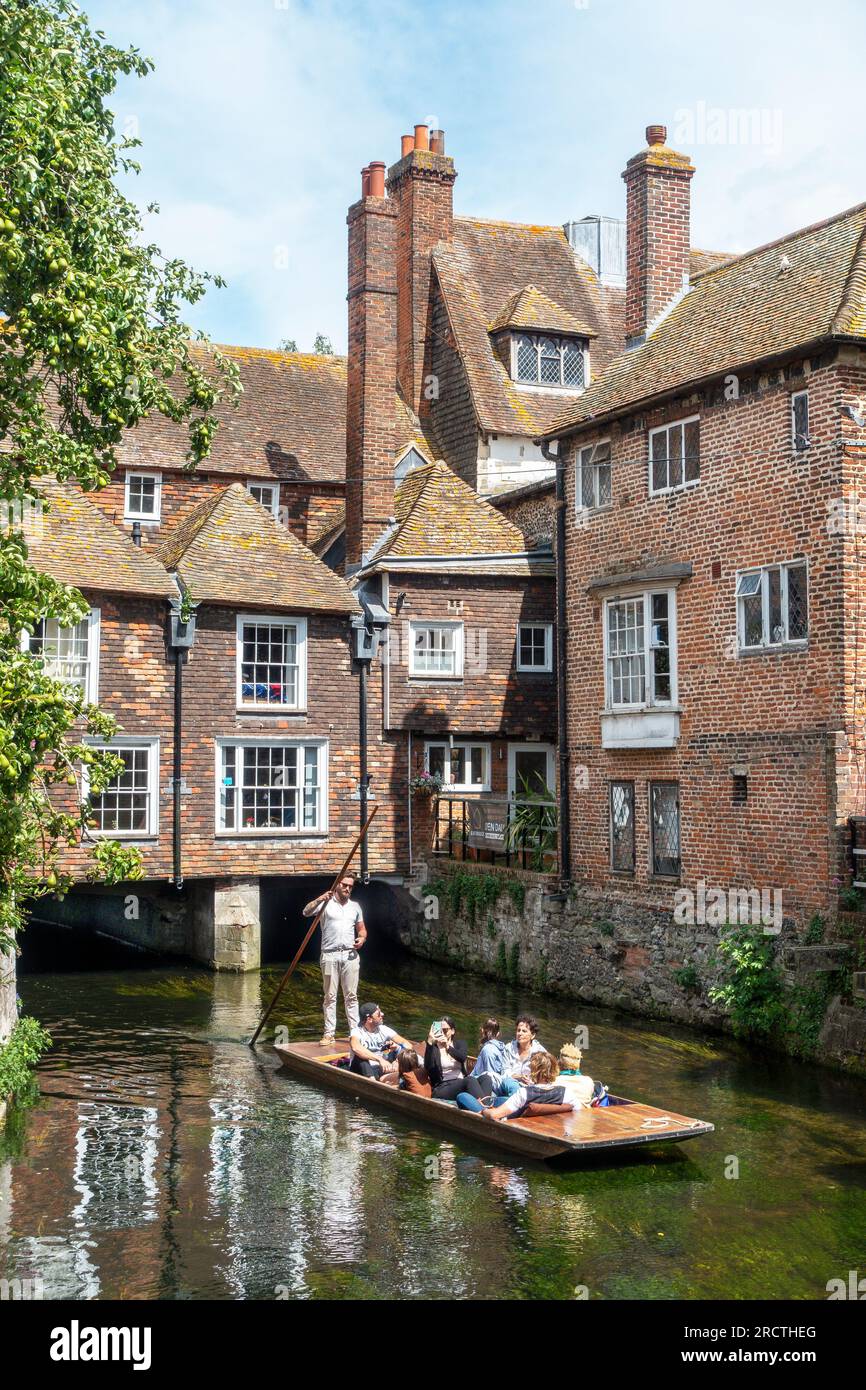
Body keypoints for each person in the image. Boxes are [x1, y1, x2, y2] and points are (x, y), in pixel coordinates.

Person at [303, 871, 367, 1046]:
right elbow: (306, 912)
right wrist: (320, 899)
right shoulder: (326, 904)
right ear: (337, 884)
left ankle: (355, 1033)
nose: (347, 889)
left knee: (351, 996)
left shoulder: (355, 906)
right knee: (330, 996)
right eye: (344, 885)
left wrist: (362, 939)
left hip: (349, 955)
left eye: (350, 886)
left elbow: (362, 930)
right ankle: (329, 1033)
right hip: (330, 954)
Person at [483, 1051, 573, 1123]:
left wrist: (484, 1111)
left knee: (469, 1094)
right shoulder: (565, 1092)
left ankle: (485, 1103)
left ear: (533, 1070)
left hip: (516, 1123)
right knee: (501, 1099)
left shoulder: (524, 1093)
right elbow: (579, 1112)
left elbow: (493, 1115)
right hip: (550, 1128)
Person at [423, 1017, 486, 1103]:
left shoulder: (460, 1044)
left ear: (452, 1031)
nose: (442, 1033)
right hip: (442, 1087)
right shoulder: (434, 1048)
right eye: (440, 1030)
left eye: (445, 1030)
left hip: (460, 1082)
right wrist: (430, 1042)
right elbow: (428, 1067)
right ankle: (487, 1109)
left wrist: (447, 1047)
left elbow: (462, 1058)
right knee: (470, 1080)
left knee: (486, 1078)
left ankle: (486, 1104)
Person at [349, 1002, 412, 1081]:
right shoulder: (357, 1031)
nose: (382, 1014)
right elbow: (356, 1048)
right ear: (369, 1019)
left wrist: (398, 1060)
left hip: (382, 1068)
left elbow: (407, 1044)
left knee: (404, 1051)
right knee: (359, 1058)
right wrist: (380, 1059)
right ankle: (372, 1083)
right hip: (363, 1069)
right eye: (378, 1014)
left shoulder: (383, 1029)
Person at [468, 1018, 519, 1101]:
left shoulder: (488, 1050)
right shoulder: (501, 1047)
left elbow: (489, 1077)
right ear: (498, 1034)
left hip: (487, 1089)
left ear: (482, 1030)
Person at [503, 1015, 546, 1082]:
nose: (520, 1033)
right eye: (518, 1030)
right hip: (509, 1083)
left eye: (524, 1031)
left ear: (533, 1035)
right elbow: (504, 1071)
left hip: (530, 1087)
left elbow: (543, 1075)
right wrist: (517, 1077)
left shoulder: (540, 1052)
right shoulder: (508, 1048)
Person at [556, 1043, 595, 1108]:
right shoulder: (589, 1081)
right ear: (578, 1064)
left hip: (564, 1116)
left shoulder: (555, 1081)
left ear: (559, 1063)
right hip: (585, 1116)